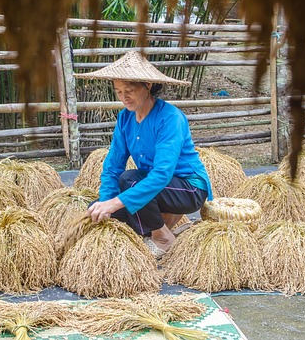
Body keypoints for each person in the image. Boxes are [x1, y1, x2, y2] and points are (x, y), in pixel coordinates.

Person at [74, 50, 213, 258]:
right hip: (157, 188)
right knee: (97, 208)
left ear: (147, 85)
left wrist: (115, 203)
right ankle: (161, 223)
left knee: (129, 180)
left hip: (188, 188)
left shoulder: (170, 118)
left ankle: (162, 237)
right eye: (119, 91)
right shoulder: (125, 119)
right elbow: (113, 166)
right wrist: (106, 203)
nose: (124, 97)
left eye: (129, 89)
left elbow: (161, 175)